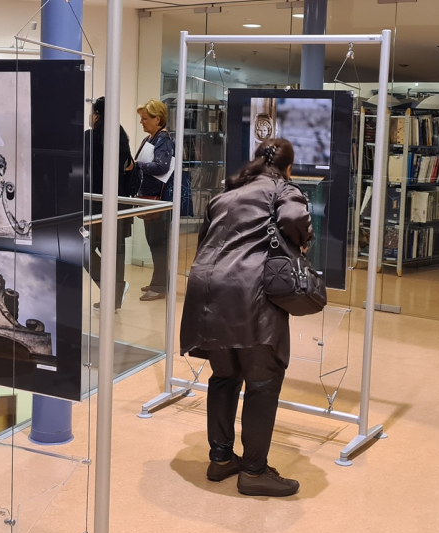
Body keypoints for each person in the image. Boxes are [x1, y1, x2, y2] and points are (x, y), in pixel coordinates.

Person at [179, 138, 311, 498]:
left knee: (224, 375)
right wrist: (302, 240)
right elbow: (295, 218)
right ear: (287, 167)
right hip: (249, 294)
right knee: (262, 381)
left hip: (206, 291)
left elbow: (207, 236)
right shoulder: (282, 188)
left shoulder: (226, 194)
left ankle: (221, 459)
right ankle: (254, 471)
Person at [84, 97, 136, 310]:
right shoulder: (121, 135)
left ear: (97, 114)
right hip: (120, 204)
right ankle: (114, 296)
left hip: (96, 205)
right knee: (115, 253)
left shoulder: (90, 137)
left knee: (85, 250)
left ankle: (112, 290)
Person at [133, 99, 175, 301]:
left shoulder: (163, 140)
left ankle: (160, 287)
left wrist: (138, 165)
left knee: (157, 243)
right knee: (153, 242)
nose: (142, 122)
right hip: (150, 199)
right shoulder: (151, 138)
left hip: (157, 201)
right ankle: (159, 280)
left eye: (145, 119)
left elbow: (162, 167)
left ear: (157, 119)